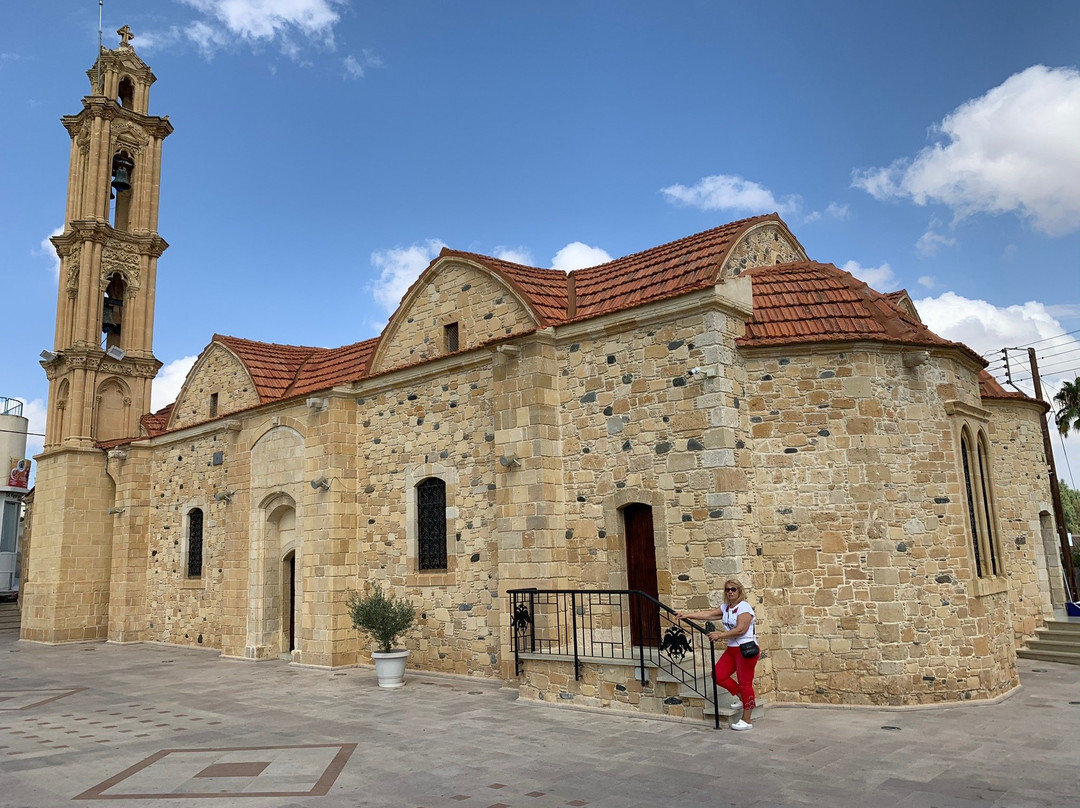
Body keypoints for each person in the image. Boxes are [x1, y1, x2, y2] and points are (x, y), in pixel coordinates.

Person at [676, 578, 758, 730]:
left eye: (733, 589)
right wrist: (687, 615)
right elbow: (709, 615)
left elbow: (741, 630)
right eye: (727, 589)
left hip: (746, 650)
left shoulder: (744, 607)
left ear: (739, 591)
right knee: (718, 675)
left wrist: (719, 635)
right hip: (732, 649)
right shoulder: (726, 607)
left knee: (745, 683)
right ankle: (742, 697)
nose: (730, 592)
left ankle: (747, 720)